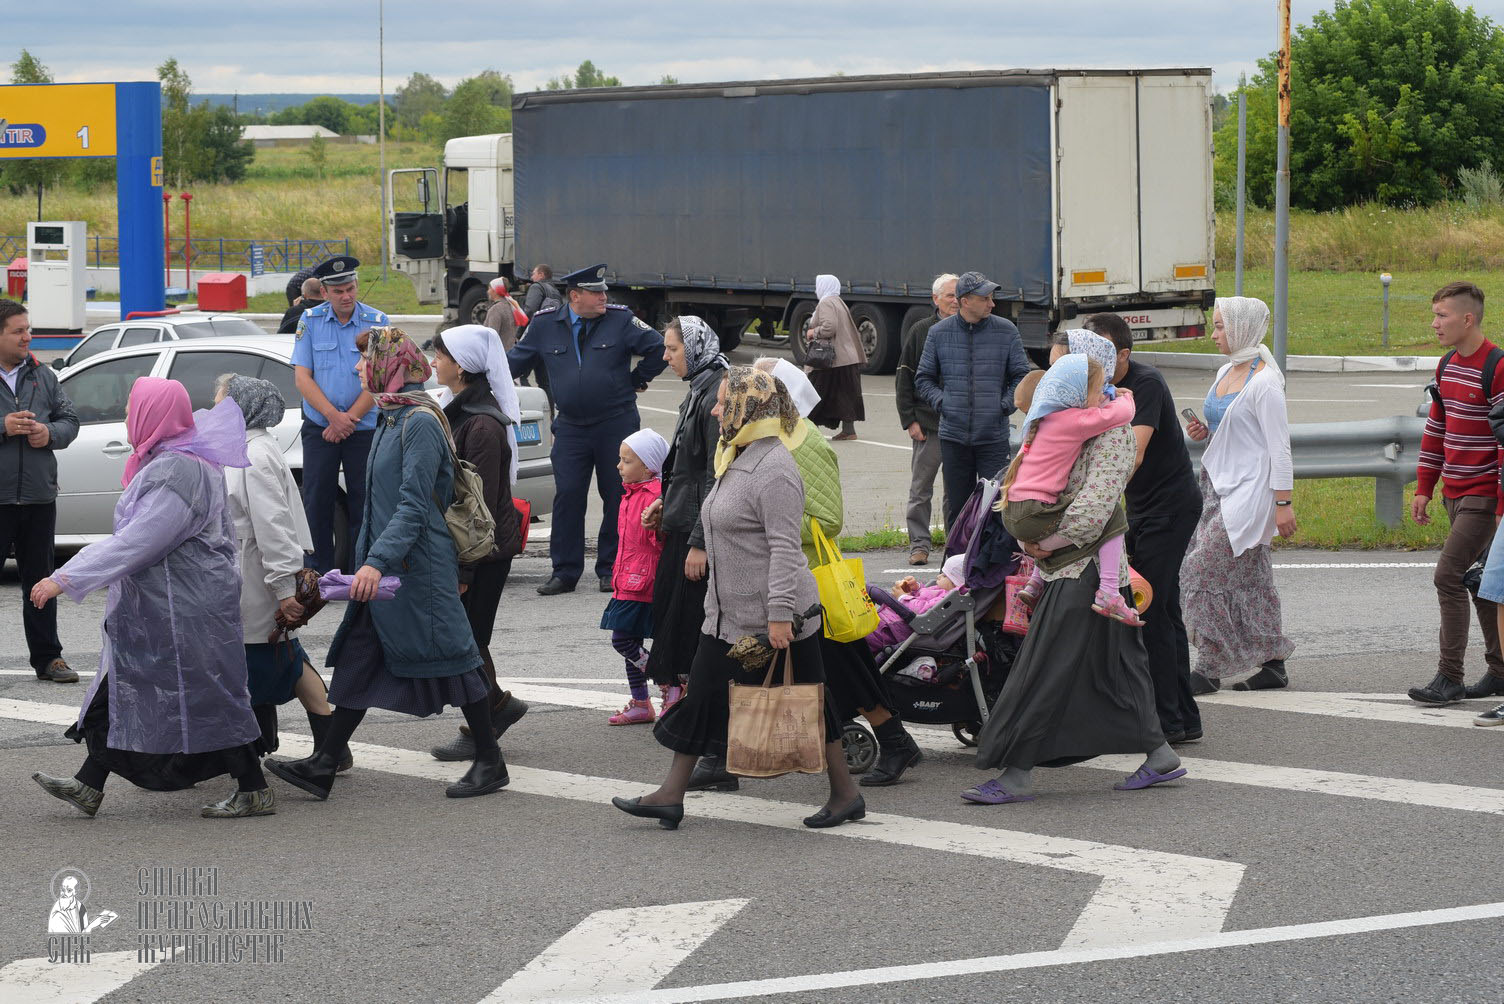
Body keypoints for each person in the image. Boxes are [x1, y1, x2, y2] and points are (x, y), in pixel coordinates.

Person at [612, 367, 864, 830]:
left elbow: (785, 548)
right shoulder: (736, 455)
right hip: (727, 616)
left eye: (723, 402)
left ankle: (846, 794)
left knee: (810, 703)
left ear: (749, 407)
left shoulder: (775, 469)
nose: (714, 410)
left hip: (779, 618)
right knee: (702, 695)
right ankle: (670, 796)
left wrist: (779, 615)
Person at [265, 327, 508, 800]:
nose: (358, 368)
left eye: (366, 360)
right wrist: (366, 563)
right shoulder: (392, 416)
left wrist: (375, 562)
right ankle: (325, 762)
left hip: (419, 569)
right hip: (389, 568)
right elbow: (379, 505)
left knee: (456, 658)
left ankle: (490, 759)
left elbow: (415, 506)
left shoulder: (418, 421)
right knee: (360, 655)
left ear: (389, 365)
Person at [30, 378, 272, 819]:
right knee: (123, 690)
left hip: (184, 609)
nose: (127, 418)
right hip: (168, 607)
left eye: (131, 409)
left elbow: (140, 540)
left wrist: (65, 577)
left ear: (151, 415)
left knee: (208, 697)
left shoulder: (178, 469)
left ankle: (253, 788)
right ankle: (88, 784)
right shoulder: (177, 459)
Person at [965, 374, 1182, 804]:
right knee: (1118, 667)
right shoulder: (1074, 425)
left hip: (1080, 569)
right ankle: (1159, 754)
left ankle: (1018, 773)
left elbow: (1093, 513)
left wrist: (1042, 545)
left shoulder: (1110, 434)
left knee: (1045, 669)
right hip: (1084, 569)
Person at [745, 355, 923, 788]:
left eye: (757, 384)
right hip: (790, 575)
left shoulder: (805, 442)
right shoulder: (771, 437)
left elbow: (828, 519)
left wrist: (765, 521)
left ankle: (894, 742)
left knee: (842, 667)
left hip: (813, 580)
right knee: (832, 668)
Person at [216, 374, 352, 773]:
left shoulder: (253, 455)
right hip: (255, 570)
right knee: (285, 654)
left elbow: (272, 525)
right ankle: (331, 746)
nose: (214, 409)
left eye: (222, 401)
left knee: (268, 655)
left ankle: (256, 750)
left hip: (257, 573)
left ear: (243, 407)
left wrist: (282, 587)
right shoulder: (250, 447)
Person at [507, 263, 667, 595]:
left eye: (604, 291)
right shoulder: (545, 325)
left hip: (616, 423)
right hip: (571, 427)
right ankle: (565, 572)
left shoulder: (621, 320)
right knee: (568, 495)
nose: (604, 297)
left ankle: (611, 567)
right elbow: (514, 362)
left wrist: (637, 379)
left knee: (617, 493)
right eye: (596, 293)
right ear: (575, 296)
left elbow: (658, 347)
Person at [1083, 312, 1205, 743]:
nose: (1093, 360)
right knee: (1163, 608)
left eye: (1102, 352)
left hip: (1169, 508)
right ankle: (1183, 718)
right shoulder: (1096, 386)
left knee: (1150, 608)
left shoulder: (1145, 383)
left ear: (1124, 354)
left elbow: (1132, 454)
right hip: (1139, 509)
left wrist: (1096, 503)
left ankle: (1167, 721)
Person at [1181, 296, 1297, 694]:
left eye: (1220, 327)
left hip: (1252, 491)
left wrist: (1283, 503)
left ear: (1242, 329)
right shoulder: (1225, 370)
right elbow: (1231, 428)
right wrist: (1206, 431)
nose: (1213, 335)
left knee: (1198, 571)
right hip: (1217, 484)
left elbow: (1279, 448)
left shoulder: (1265, 383)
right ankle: (1273, 663)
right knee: (1251, 577)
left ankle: (1209, 666)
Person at [426, 325, 531, 761]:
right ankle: (496, 709)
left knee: (469, 641)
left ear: (463, 365)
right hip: (474, 550)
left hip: (483, 552)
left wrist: (464, 569)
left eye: (441, 355)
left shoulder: (483, 423)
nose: (434, 362)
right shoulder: (461, 408)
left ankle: (485, 725)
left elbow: (477, 506)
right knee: (469, 640)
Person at [1408, 281, 1504, 705]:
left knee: (1448, 576)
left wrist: (1501, 504)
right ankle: (1500, 671)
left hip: (1484, 494)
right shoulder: (1446, 364)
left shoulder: (1497, 366)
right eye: (1434, 314)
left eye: (1442, 315)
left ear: (1467, 319)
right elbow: (1437, 428)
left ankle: (1450, 677)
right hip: (1454, 491)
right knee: (1481, 582)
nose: (1434, 323)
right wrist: (1425, 487)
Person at [1000, 353, 1141, 625]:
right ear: (1077, 394)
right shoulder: (1074, 420)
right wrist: (1121, 395)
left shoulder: (1046, 418)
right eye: (1098, 389)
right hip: (1033, 512)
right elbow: (1123, 413)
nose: (1102, 394)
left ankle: (1034, 581)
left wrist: (1102, 393)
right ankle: (1109, 592)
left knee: (1065, 513)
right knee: (1111, 516)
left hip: (1016, 511)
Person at [642, 316, 728, 717]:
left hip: (697, 531)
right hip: (683, 521)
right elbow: (685, 467)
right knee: (670, 614)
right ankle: (687, 702)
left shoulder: (716, 395)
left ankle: (697, 708)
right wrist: (665, 501)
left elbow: (715, 476)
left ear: (694, 349)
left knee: (691, 621)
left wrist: (700, 542)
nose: (666, 357)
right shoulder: (699, 387)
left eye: (673, 349)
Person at [290, 256, 388, 573]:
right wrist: (333, 416)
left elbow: (380, 378)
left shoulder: (377, 321)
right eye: (338, 291)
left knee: (365, 501)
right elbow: (302, 377)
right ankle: (318, 575)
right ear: (324, 292)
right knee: (317, 502)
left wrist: (348, 420)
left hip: (364, 428)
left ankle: (363, 573)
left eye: (350, 288)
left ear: (356, 286)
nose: (346, 296)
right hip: (321, 428)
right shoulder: (310, 320)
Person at [0, 299, 79, 683]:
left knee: (41, 583)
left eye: (28, 329)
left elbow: (70, 421)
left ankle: (49, 658)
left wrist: (50, 433)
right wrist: (3, 426)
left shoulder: (43, 376)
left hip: (38, 498)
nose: (27, 337)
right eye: (18, 331)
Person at [915, 270, 1032, 528]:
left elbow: (1021, 376)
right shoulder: (938, 333)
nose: (992, 304)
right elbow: (923, 379)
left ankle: (991, 554)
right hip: (953, 437)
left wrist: (1003, 405)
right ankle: (956, 553)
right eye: (985, 298)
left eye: (992, 298)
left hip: (993, 437)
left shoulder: (1006, 331)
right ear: (965, 301)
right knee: (958, 507)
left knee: (995, 506)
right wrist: (944, 403)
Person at [602, 429, 668, 725]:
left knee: (623, 640)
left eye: (627, 461)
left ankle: (665, 680)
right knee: (630, 641)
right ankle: (641, 702)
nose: (619, 466)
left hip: (644, 580)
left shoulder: (655, 497)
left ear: (649, 466)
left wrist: (657, 527)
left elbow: (660, 542)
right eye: (620, 459)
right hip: (626, 578)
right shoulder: (630, 493)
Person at [896, 274, 957, 565]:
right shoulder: (921, 330)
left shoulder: (969, 329)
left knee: (956, 490)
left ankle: (955, 544)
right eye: (950, 296)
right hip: (928, 425)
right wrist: (909, 419)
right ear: (936, 299)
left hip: (959, 426)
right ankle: (919, 545)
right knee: (921, 489)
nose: (956, 301)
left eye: (959, 296)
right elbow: (904, 376)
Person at [804, 274, 866, 441]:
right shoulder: (838, 301)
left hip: (831, 359)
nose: (816, 290)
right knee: (845, 394)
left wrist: (813, 332)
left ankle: (809, 430)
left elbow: (829, 327)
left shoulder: (826, 303)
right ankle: (849, 430)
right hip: (846, 357)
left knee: (815, 392)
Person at [868, 554, 968, 653]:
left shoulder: (947, 600)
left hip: (896, 628)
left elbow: (922, 609)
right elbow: (926, 597)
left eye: (945, 576)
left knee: (867, 636)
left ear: (956, 583)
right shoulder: (942, 589)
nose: (938, 576)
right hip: (889, 620)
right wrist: (916, 588)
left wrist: (903, 597)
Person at [483, 277, 524, 351]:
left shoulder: (496, 309)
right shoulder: (513, 306)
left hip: (499, 353)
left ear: (495, 290)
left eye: (489, 288)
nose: (488, 291)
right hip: (511, 351)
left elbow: (492, 335)